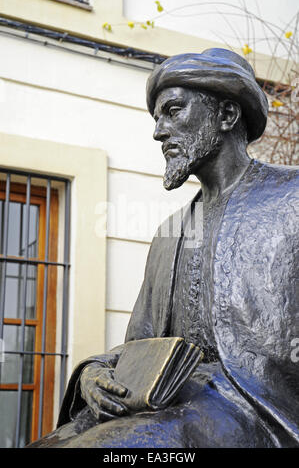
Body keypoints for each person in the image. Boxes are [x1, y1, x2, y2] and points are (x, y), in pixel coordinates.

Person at [28, 48, 299, 448]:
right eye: (158, 119)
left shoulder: (291, 198)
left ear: (226, 115)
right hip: (163, 397)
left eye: (173, 111)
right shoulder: (169, 233)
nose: (159, 132)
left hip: (253, 408)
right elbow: (140, 343)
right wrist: (95, 371)